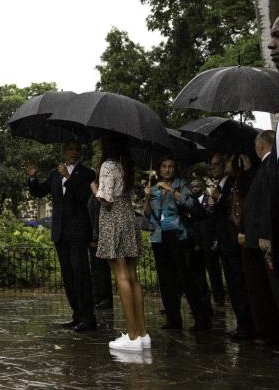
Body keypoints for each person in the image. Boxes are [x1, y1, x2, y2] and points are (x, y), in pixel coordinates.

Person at [24, 141, 97, 331]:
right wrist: (32, 178)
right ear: (64, 152)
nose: (74, 152)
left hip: (78, 232)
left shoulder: (88, 173)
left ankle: (88, 318)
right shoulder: (54, 173)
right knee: (68, 277)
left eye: (77, 149)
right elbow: (39, 192)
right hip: (60, 233)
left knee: (81, 275)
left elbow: (83, 197)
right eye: (71, 149)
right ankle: (77, 314)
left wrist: (69, 177)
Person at [142, 156, 212, 331]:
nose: (167, 170)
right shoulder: (154, 187)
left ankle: (200, 319)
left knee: (186, 277)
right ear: (159, 169)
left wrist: (172, 191)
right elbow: (147, 214)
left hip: (179, 234)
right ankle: (174, 320)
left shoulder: (182, 185)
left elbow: (191, 206)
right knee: (166, 280)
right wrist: (147, 198)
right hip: (159, 235)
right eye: (164, 166)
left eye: (171, 166)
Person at [96, 133, 148, 352]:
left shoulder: (108, 165)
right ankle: (143, 333)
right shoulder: (127, 165)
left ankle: (133, 336)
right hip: (128, 216)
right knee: (133, 275)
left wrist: (94, 187)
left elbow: (105, 198)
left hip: (113, 217)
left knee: (121, 274)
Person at [238, 130, 279, 345]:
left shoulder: (272, 164)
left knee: (270, 289)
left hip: (264, 238)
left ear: (260, 145)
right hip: (255, 237)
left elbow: (268, 201)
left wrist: (264, 233)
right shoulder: (263, 167)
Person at [211, 152, 256, 341]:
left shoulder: (235, 182)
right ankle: (242, 323)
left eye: (225, 161)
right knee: (233, 283)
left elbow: (230, 209)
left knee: (238, 283)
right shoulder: (225, 182)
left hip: (232, 241)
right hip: (225, 241)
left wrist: (218, 198)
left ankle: (246, 326)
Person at [193, 168, 226, 306]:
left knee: (214, 272)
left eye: (197, 186)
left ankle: (219, 298)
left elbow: (215, 220)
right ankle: (204, 300)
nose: (194, 189)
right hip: (197, 244)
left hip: (210, 242)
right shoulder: (190, 203)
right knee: (199, 274)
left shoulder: (210, 200)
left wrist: (215, 241)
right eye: (192, 186)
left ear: (202, 187)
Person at [87, 180, 113, 309]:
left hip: (99, 237)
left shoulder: (98, 193)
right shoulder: (90, 195)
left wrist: (95, 236)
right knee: (95, 268)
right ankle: (97, 296)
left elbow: (99, 215)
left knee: (101, 268)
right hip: (94, 236)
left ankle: (104, 297)